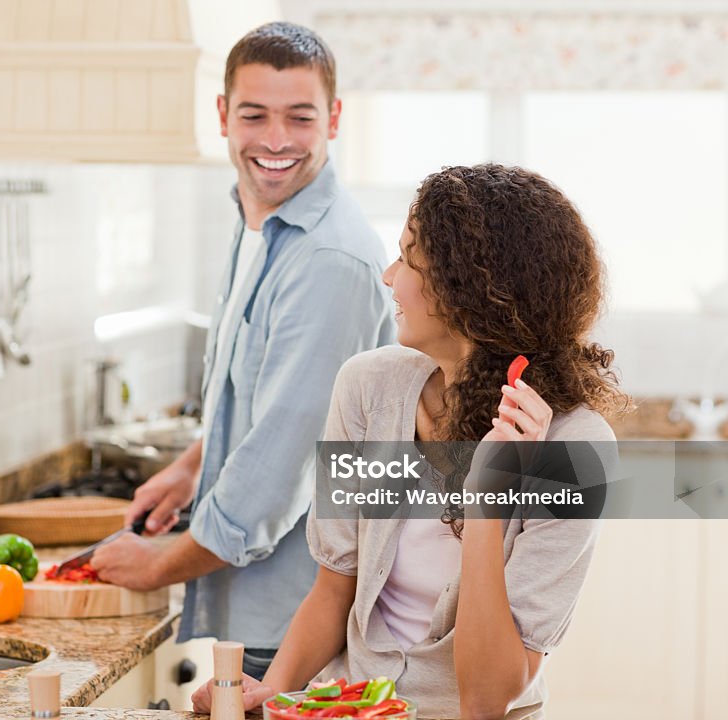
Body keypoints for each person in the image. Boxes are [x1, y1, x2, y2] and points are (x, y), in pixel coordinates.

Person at [192, 163, 629, 718]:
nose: (388, 276)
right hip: (351, 708)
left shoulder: (574, 449)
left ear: (468, 289)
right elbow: (334, 592)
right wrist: (271, 693)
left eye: (408, 258)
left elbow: (488, 697)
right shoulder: (369, 388)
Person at [91, 22, 392, 679]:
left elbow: (280, 464)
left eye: (300, 117)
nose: (276, 140)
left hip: (301, 623)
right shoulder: (262, 222)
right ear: (224, 115)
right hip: (268, 608)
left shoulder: (327, 260)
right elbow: (255, 393)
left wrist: (159, 565)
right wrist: (193, 468)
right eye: (255, 114)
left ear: (334, 119)